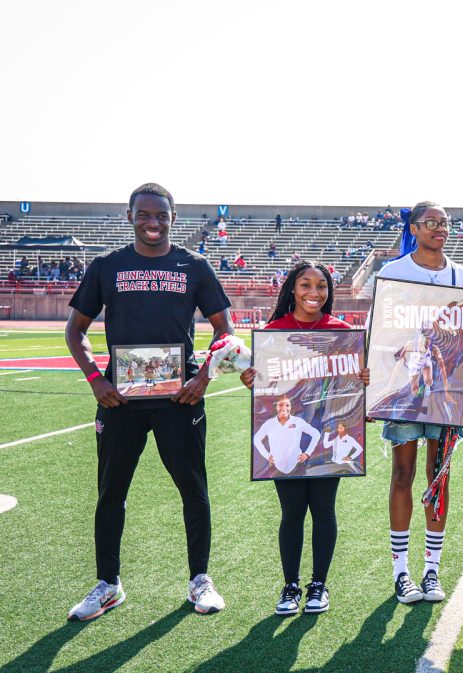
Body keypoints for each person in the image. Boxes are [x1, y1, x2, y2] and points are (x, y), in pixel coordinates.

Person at [65, 183, 233, 621]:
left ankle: (200, 579)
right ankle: (108, 584)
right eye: (144, 214)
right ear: (129, 216)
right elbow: (75, 330)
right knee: (110, 494)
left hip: (179, 399)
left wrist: (203, 378)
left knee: (194, 493)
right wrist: (95, 380)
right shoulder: (107, 266)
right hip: (120, 400)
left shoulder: (194, 266)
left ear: (173, 218)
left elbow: (224, 332)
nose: (152, 223)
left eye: (161, 215)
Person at [240, 260, 370, 615]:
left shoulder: (342, 332)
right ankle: (290, 586)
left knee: (324, 510)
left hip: (327, 432)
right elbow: (267, 385)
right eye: (306, 285)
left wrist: (363, 379)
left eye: (321, 286)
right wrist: (252, 379)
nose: (314, 293)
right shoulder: (274, 332)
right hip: (287, 438)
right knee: (292, 512)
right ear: (292, 290)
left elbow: (353, 384)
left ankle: (318, 585)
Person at [376, 202, 463, 605]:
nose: (439, 229)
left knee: (439, 477)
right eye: (431, 222)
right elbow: (381, 333)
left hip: (446, 391)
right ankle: (401, 572)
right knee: (402, 474)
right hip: (404, 388)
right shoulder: (393, 272)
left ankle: (432, 570)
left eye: (445, 223)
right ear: (414, 228)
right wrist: (400, 355)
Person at [253, 397, 322, 476]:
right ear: (276, 407)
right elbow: (256, 439)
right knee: (283, 488)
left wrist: (307, 453)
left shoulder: (297, 421)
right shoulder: (269, 423)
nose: (284, 408)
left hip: (297, 465)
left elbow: (316, 434)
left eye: (287, 405)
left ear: (291, 407)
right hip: (276, 468)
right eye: (280, 405)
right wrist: (267, 456)